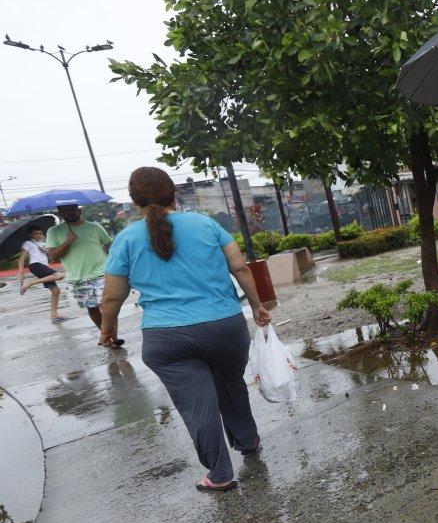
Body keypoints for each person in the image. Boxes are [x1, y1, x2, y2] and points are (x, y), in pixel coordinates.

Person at [99, 167, 272, 492]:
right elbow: (239, 267)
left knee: (198, 404)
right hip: (224, 326)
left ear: (134, 201)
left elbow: (112, 296)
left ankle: (220, 474)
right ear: (173, 193)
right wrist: (257, 305)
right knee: (230, 385)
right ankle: (248, 440)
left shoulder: (126, 240)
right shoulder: (206, 224)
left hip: (168, 338)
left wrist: (107, 330)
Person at [46, 204, 119, 347]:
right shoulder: (54, 231)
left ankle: (114, 337)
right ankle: (108, 336)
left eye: (73, 209)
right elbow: (52, 256)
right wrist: (68, 242)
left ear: (79, 210)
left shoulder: (95, 227)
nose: (70, 212)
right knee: (92, 307)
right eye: (66, 210)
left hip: (102, 273)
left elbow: (109, 245)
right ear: (60, 213)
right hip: (77, 277)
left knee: (108, 306)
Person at [16, 226, 66, 322]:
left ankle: (54, 315)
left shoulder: (44, 244)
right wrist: (21, 272)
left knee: (55, 291)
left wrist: (47, 251)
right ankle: (30, 283)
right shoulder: (28, 243)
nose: (38, 235)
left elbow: (53, 255)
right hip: (35, 265)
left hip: (43, 267)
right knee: (59, 275)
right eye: (35, 233)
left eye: (40, 233)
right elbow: (22, 258)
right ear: (30, 235)